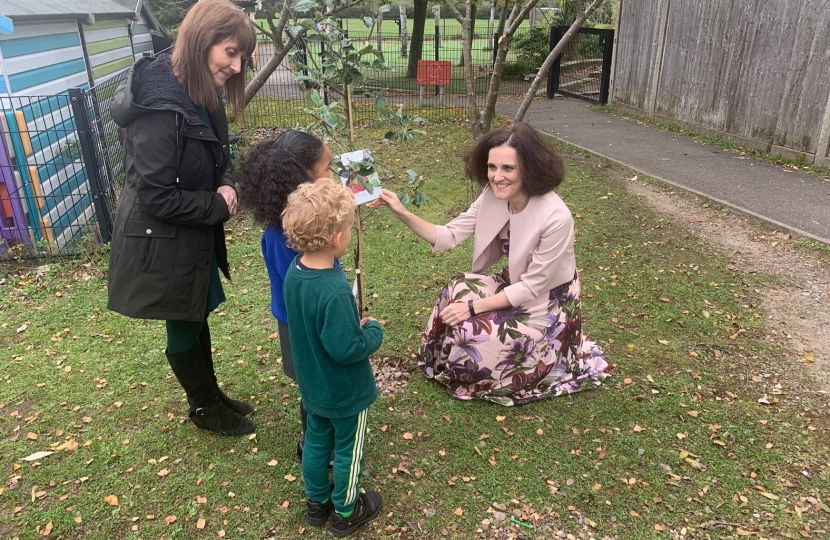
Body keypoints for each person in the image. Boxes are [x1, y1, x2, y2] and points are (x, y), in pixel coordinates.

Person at [376, 122, 611, 406]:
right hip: (512, 281)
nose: (497, 177)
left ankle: (499, 370)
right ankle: (449, 364)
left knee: (473, 329)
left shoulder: (557, 217)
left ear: (530, 167)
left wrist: (473, 307)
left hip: (547, 301)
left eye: (508, 168)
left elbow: (532, 287)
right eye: (492, 167)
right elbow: (448, 236)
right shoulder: (492, 195)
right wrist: (401, 212)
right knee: (456, 287)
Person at [107, 0, 258, 435]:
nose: (236, 65)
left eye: (242, 56)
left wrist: (225, 182)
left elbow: (214, 154)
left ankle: (212, 393)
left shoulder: (197, 90)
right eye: (230, 52)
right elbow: (156, 196)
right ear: (200, 41)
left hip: (190, 231)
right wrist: (219, 205)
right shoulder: (160, 108)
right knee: (183, 318)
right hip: (163, 236)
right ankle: (205, 407)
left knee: (196, 312)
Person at [281, 181, 384, 538]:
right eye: (349, 229)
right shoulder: (336, 290)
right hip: (344, 392)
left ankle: (316, 503)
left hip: (312, 385)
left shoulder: (295, 273)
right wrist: (372, 333)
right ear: (337, 239)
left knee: (315, 441)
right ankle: (346, 511)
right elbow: (347, 348)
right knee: (347, 450)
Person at [237, 130, 337, 457]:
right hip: (305, 324)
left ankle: (317, 441)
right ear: (304, 178)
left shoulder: (293, 227)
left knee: (317, 385)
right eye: (328, 169)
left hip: (303, 320)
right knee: (317, 387)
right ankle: (316, 447)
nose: (334, 176)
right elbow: (310, 287)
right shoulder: (287, 238)